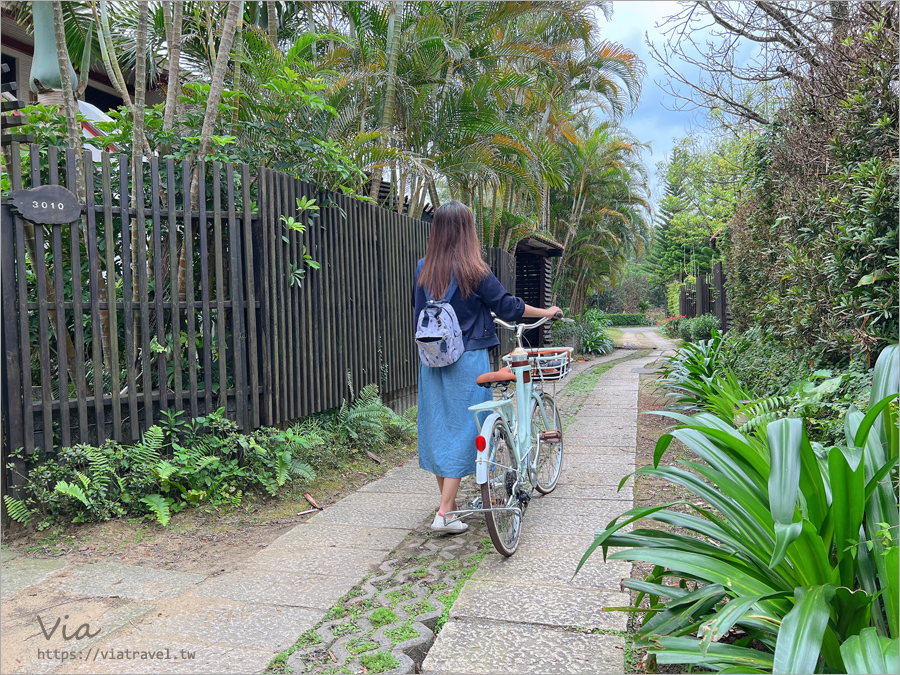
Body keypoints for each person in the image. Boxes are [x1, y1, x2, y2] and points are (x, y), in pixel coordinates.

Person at [413, 201, 561, 533]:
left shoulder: (424, 268)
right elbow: (507, 307)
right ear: (467, 231)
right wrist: (545, 312)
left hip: (432, 362)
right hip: (467, 361)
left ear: (436, 231)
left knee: (440, 431)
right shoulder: (473, 269)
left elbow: (419, 312)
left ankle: (448, 512)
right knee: (468, 431)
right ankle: (443, 511)